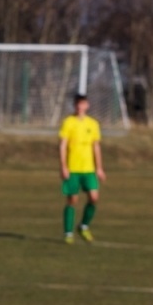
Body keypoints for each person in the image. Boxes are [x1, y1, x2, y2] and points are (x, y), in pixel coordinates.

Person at [58, 93, 105, 243]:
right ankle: (68, 234)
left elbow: (96, 146)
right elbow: (63, 145)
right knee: (72, 200)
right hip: (73, 168)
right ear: (75, 105)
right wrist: (63, 166)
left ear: (87, 105)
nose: (80, 106)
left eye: (82, 103)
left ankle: (83, 226)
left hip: (89, 169)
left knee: (94, 198)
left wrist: (99, 168)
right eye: (78, 104)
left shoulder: (93, 124)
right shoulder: (68, 122)